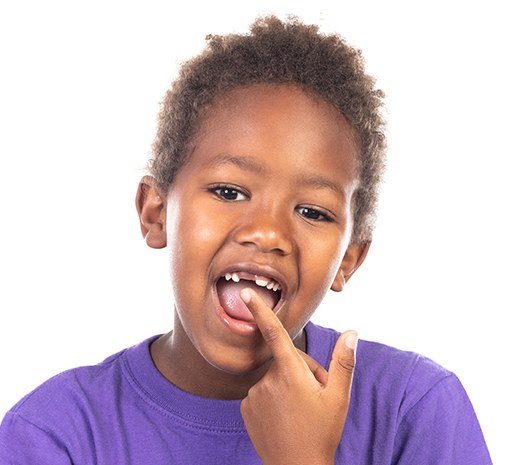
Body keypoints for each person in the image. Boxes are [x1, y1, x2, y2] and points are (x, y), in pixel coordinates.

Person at [0, 15, 492, 465]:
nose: (268, 232)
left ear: (350, 258)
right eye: (228, 190)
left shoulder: (414, 410)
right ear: (155, 213)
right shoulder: (54, 434)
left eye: (312, 211)